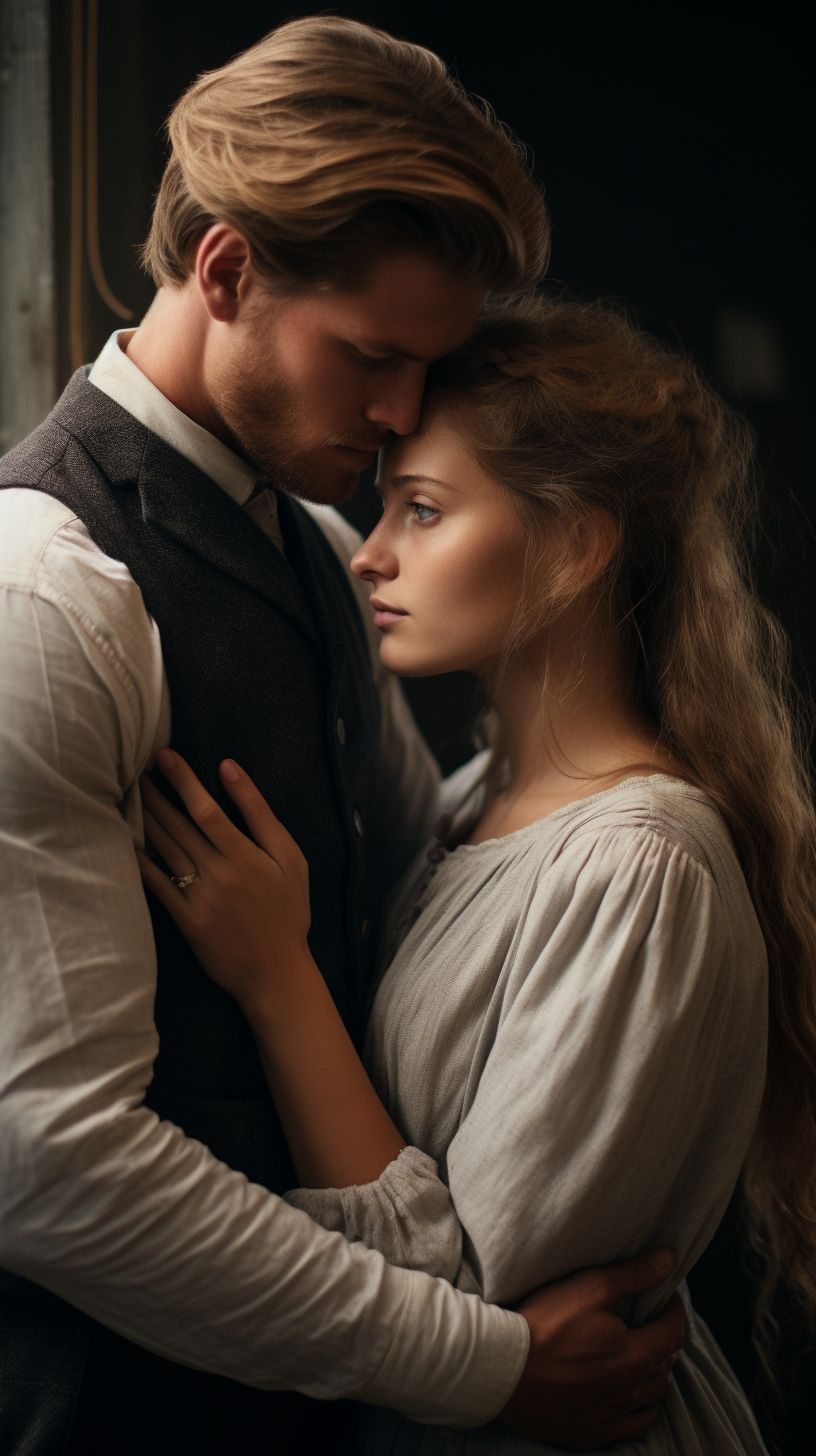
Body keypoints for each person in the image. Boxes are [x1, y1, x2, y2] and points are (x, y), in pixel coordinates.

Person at [0, 17, 686, 1456]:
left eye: (422, 368)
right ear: (228, 268)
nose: (396, 420)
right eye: (370, 357)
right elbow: (46, 1167)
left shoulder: (314, 539)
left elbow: (407, 893)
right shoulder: (41, 592)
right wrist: (482, 1363)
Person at [139, 294, 816, 1455]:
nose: (374, 552)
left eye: (425, 510)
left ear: (575, 543)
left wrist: (275, 975)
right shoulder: (468, 800)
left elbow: (485, 1326)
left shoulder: (642, 871)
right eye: (386, 505)